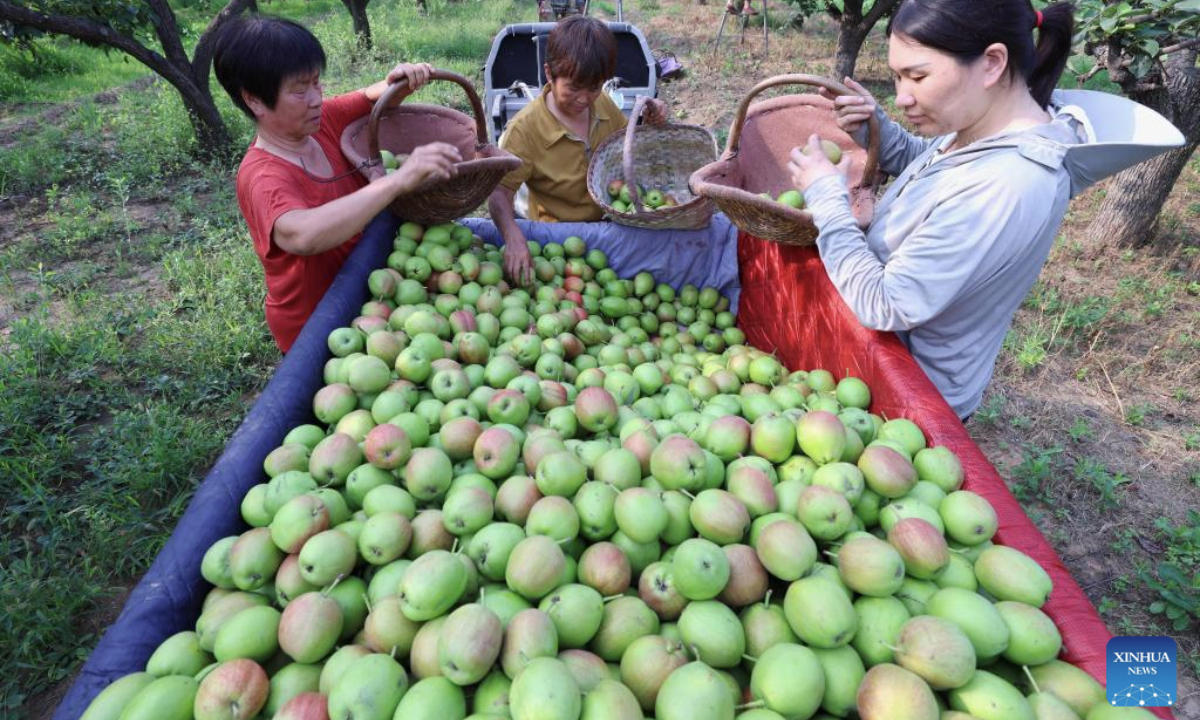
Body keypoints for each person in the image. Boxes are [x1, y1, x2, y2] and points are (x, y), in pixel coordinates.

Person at [786, 0, 1179, 421]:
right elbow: (935, 165)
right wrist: (876, 127)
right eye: (898, 76)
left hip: (905, 398)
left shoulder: (1009, 185)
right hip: (880, 369)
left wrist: (827, 197)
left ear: (992, 63)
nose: (902, 96)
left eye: (918, 76)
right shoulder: (982, 128)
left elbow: (886, 305)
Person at [213, 15, 461, 353]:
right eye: (300, 90)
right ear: (254, 99)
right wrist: (396, 182)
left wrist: (399, 81)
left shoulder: (322, 121)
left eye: (317, 82)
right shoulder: (263, 176)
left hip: (370, 297)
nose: (316, 98)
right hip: (315, 325)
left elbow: (373, 97)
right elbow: (303, 234)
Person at [488, 15, 669, 285]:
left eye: (594, 87)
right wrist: (513, 237)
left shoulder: (603, 105)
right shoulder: (524, 130)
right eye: (573, 88)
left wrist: (650, 123)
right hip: (557, 240)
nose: (584, 99)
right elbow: (498, 193)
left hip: (607, 227)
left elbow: (626, 148)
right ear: (550, 73)